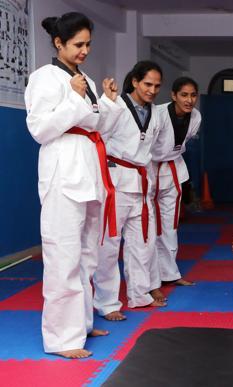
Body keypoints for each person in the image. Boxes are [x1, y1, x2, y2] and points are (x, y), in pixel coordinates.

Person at [25, 12, 123, 358]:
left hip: (90, 171)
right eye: (78, 45)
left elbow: (98, 127)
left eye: (88, 45)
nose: (84, 51)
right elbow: (40, 130)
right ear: (59, 43)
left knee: (86, 256)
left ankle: (80, 325)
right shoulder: (44, 78)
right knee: (62, 256)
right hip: (62, 172)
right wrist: (71, 97)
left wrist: (108, 102)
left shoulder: (86, 80)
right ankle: (62, 339)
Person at [93, 61, 164, 322]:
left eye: (157, 86)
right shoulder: (117, 105)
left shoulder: (155, 112)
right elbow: (98, 135)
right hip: (116, 181)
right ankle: (107, 302)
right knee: (109, 245)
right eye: (147, 84)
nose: (152, 90)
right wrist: (106, 102)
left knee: (141, 243)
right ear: (134, 81)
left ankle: (139, 294)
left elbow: (151, 147)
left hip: (141, 182)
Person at [151, 77, 202, 286]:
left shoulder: (196, 117)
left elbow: (183, 141)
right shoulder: (158, 114)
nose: (189, 100)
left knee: (170, 224)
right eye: (184, 95)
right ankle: (150, 276)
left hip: (173, 169)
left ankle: (170, 274)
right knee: (147, 225)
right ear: (173, 96)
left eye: (193, 95)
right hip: (150, 168)